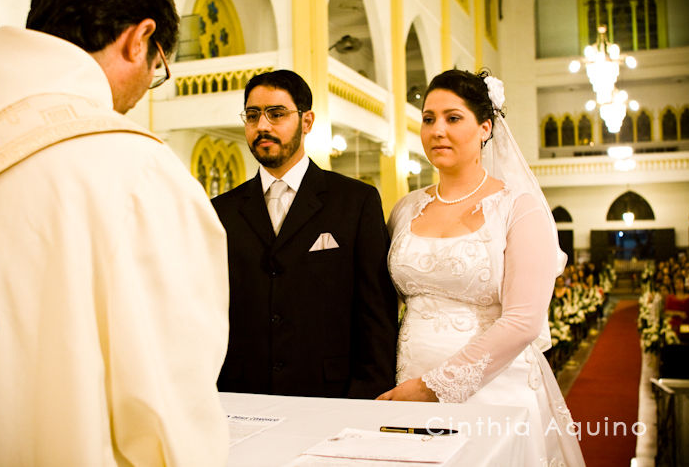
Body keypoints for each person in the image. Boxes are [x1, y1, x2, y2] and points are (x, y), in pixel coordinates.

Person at [0, 0, 229, 465]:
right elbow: (171, 418)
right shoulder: (138, 175)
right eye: (158, 66)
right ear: (139, 40)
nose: (147, 87)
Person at [377, 69, 585, 465]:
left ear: (486, 127)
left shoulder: (518, 208)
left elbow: (523, 320)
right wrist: (410, 385)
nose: (437, 130)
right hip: (406, 378)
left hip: (493, 387)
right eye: (428, 119)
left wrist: (434, 386)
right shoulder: (405, 208)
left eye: (453, 118)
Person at [212, 69, 398, 398]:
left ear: (307, 121)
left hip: (332, 393)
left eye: (276, 114)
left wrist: (370, 393)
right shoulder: (221, 210)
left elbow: (376, 313)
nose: (263, 126)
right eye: (252, 115)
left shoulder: (355, 202)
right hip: (241, 393)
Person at [664, 274, 689, 341]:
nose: (678, 285)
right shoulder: (670, 298)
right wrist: (678, 313)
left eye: (680, 282)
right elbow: (667, 312)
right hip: (675, 327)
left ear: (684, 284)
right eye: (676, 283)